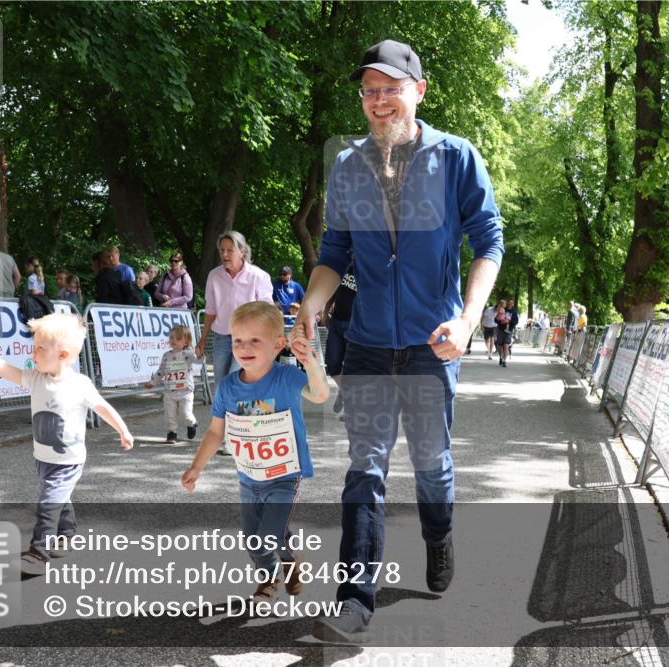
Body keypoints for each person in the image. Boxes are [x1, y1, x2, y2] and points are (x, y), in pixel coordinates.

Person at [291, 40, 504, 641]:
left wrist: (468, 319)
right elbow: (334, 252)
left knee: (432, 465)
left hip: (433, 343)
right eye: (370, 91)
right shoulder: (348, 165)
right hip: (367, 344)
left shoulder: (456, 157)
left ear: (419, 91)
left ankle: (439, 535)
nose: (379, 101)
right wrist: (311, 304)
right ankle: (355, 598)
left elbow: (489, 241)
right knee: (365, 467)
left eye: (391, 88)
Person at [181, 302, 329, 602]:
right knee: (252, 540)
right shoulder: (227, 387)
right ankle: (272, 573)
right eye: (237, 340)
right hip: (249, 479)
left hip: (285, 476)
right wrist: (196, 467)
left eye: (254, 340)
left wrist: (310, 361)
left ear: (278, 345)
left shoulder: (286, 377)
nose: (244, 347)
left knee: (269, 535)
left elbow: (320, 394)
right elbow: (215, 431)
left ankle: (280, 571)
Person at [0, 313, 133, 575]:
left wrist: (123, 430)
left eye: (40, 348)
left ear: (63, 354)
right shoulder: (37, 378)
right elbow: (7, 370)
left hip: (68, 461)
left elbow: (102, 407)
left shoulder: (80, 384)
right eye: (34, 347)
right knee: (58, 497)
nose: (33, 353)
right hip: (43, 458)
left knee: (48, 503)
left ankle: (38, 553)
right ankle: (67, 534)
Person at [196, 231, 272, 387]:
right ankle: (222, 405)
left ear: (242, 251)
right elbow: (210, 311)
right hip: (221, 337)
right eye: (222, 250)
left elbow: (267, 311)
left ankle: (238, 404)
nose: (224, 254)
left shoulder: (258, 276)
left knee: (235, 380)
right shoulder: (214, 276)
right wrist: (202, 341)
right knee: (220, 384)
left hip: (248, 339)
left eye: (230, 250)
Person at [144, 325, 198, 443]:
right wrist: (153, 382)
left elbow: (198, 361)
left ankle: (192, 424)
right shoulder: (166, 356)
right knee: (170, 414)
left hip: (185, 391)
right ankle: (172, 433)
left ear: (186, 342)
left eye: (178, 338)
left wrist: (200, 354)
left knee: (185, 414)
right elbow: (161, 371)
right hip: (169, 391)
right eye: (171, 337)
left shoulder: (188, 354)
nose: (173, 340)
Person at [325, 266, 356, 418]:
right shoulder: (346, 266)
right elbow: (333, 289)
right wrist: (325, 311)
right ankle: (344, 391)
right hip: (336, 321)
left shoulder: (370, 267)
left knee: (352, 368)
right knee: (332, 364)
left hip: (355, 326)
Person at [494, 300, 511, 367]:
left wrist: (508, 321)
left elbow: (514, 320)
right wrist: (501, 321)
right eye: (504, 304)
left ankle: (504, 360)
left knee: (506, 345)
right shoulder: (500, 309)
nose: (506, 305)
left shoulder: (510, 311)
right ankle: (501, 357)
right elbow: (496, 319)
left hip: (507, 332)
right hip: (500, 330)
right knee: (500, 345)